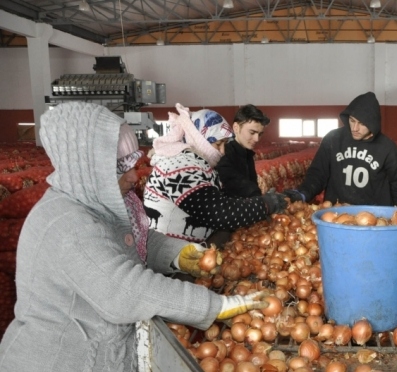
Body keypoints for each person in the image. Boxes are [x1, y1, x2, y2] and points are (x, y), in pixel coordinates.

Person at [0, 102, 268, 371]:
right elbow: (123, 290)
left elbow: (137, 241)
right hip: (60, 360)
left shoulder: (103, 202)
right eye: (119, 167)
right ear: (87, 168)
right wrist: (213, 305)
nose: (133, 176)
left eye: (132, 163)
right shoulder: (66, 223)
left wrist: (177, 254)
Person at [143, 104, 287, 244]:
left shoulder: (195, 163)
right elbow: (219, 213)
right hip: (173, 256)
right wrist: (264, 204)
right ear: (199, 138)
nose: (223, 151)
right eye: (218, 144)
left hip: (191, 251)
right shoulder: (177, 167)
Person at [283, 91, 397, 206]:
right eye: (352, 121)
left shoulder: (388, 148)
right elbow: (318, 173)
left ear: (373, 123)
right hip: (337, 212)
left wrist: (396, 212)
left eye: (362, 123)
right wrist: (303, 193)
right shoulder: (333, 139)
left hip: (373, 216)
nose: (355, 128)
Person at [216, 104, 270, 198]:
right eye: (252, 133)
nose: (256, 139)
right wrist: (259, 197)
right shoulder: (226, 152)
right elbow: (234, 182)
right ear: (236, 128)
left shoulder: (247, 153)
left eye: (260, 134)